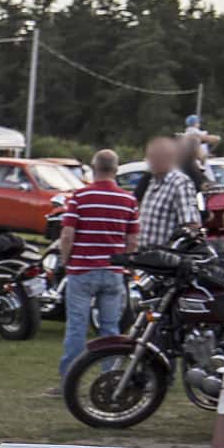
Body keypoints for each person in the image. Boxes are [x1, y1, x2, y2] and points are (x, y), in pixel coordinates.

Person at [47, 149, 139, 396]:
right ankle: (109, 379)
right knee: (110, 328)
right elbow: (132, 239)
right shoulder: (128, 200)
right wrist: (125, 264)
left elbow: (67, 235)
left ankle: (69, 381)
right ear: (116, 170)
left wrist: (67, 262)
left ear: (94, 168)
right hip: (112, 272)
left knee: (76, 326)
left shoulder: (79, 197)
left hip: (82, 269)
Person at [136, 135, 203, 246]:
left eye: (155, 157)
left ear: (168, 158)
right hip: (145, 256)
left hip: (166, 258)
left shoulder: (180, 183)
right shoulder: (152, 182)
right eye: (149, 157)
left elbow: (192, 225)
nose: (150, 161)